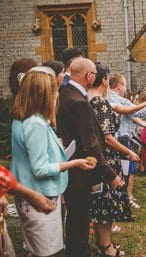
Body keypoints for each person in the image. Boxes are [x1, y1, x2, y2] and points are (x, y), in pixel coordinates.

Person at [12, 67, 94, 257]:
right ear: (43, 94)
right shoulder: (35, 124)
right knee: (47, 252)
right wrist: (74, 163)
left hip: (31, 193)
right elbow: (40, 168)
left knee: (34, 249)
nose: (58, 95)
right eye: (55, 90)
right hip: (40, 196)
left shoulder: (23, 119)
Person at [56, 58, 125, 257]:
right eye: (93, 73)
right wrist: (111, 174)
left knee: (75, 223)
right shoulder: (78, 102)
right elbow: (90, 144)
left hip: (71, 169)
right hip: (79, 174)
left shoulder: (67, 94)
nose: (94, 76)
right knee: (79, 224)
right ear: (89, 76)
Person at [87, 62, 136, 257]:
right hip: (105, 159)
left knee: (98, 202)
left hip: (91, 157)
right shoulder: (101, 103)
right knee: (106, 203)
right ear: (105, 81)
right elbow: (108, 138)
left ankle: (101, 242)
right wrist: (129, 153)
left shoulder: (86, 99)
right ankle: (107, 246)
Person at [106, 73, 146, 209]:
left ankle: (123, 198)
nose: (125, 88)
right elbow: (140, 113)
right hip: (121, 139)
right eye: (124, 85)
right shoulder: (120, 100)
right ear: (119, 86)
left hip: (114, 139)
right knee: (126, 171)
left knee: (119, 170)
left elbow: (134, 118)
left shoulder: (107, 97)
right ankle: (125, 200)